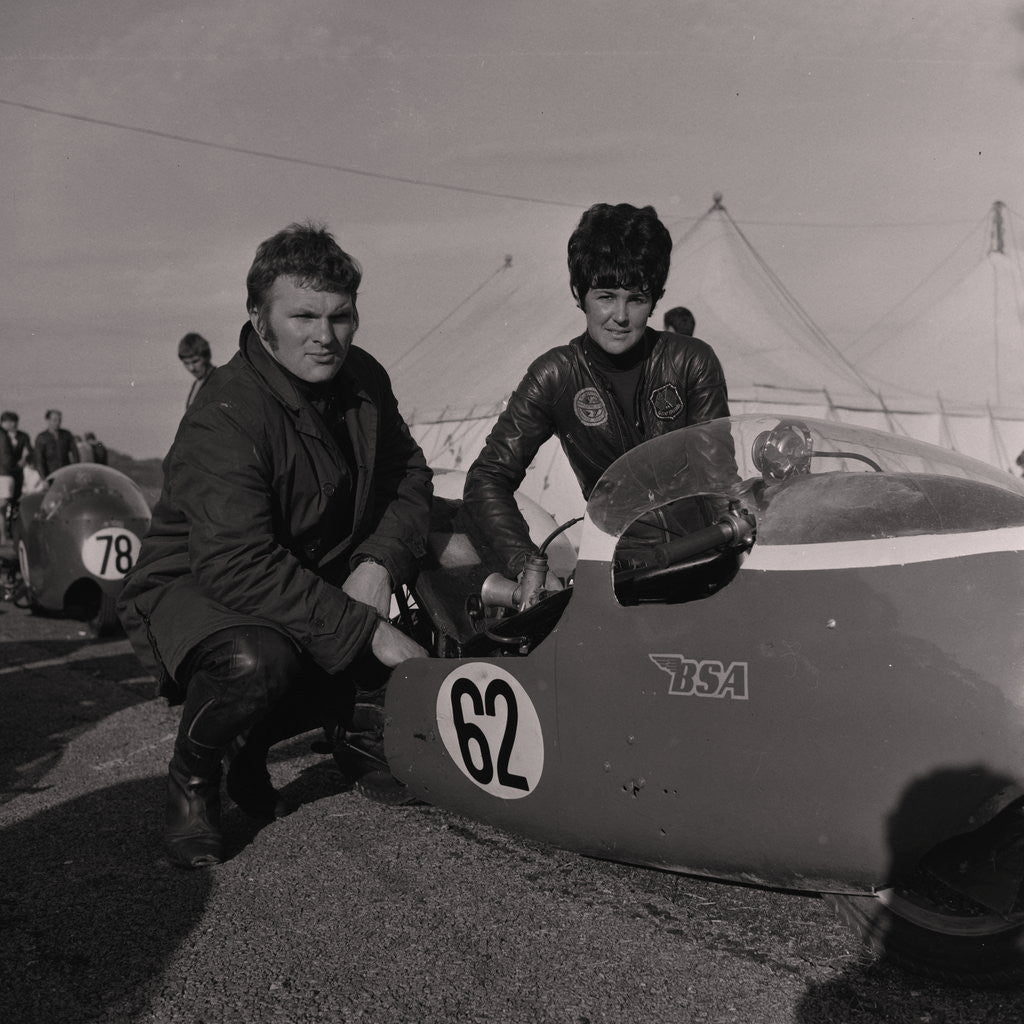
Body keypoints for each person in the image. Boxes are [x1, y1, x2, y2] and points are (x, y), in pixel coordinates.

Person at [119, 222, 433, 870]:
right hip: (201, 581)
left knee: (428, 557)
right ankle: (194, 782)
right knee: (257, 661)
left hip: (299, 563)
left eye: (341, 315)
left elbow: (409, 477)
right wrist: (368, 632)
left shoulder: (365, 377)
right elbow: (234, 561)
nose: (326, 335)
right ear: (261, 321)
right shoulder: (226, 411)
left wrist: (377, 563)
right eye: (304, 316)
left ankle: (359, 733)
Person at [464, 203, 730, 583]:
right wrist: (527, 566)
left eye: (636, 298)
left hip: (704, 563)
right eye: (606, 296)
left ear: (655, 300)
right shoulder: (554, 375)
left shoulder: (691, 361)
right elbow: (487, 478)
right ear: (579, 295)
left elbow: (717, 478)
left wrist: (735, 554)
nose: (620, 316)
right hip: (619, 576)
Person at [33, 409, 79, 478]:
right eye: (54, 420)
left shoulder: (67, 435)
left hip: (66, 473)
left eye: (59, 420)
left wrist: (76, 471)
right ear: (48, 420)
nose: (57, 423)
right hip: (51, 474)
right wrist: (43, 478)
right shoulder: (41, 438)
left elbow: (75, 454)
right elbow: (39, 460)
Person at [178, 332, 217, 409]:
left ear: (207, 357)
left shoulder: (217, 380)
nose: (191, 368)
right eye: (186, 363)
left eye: (195, 361)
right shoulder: (198, 383)